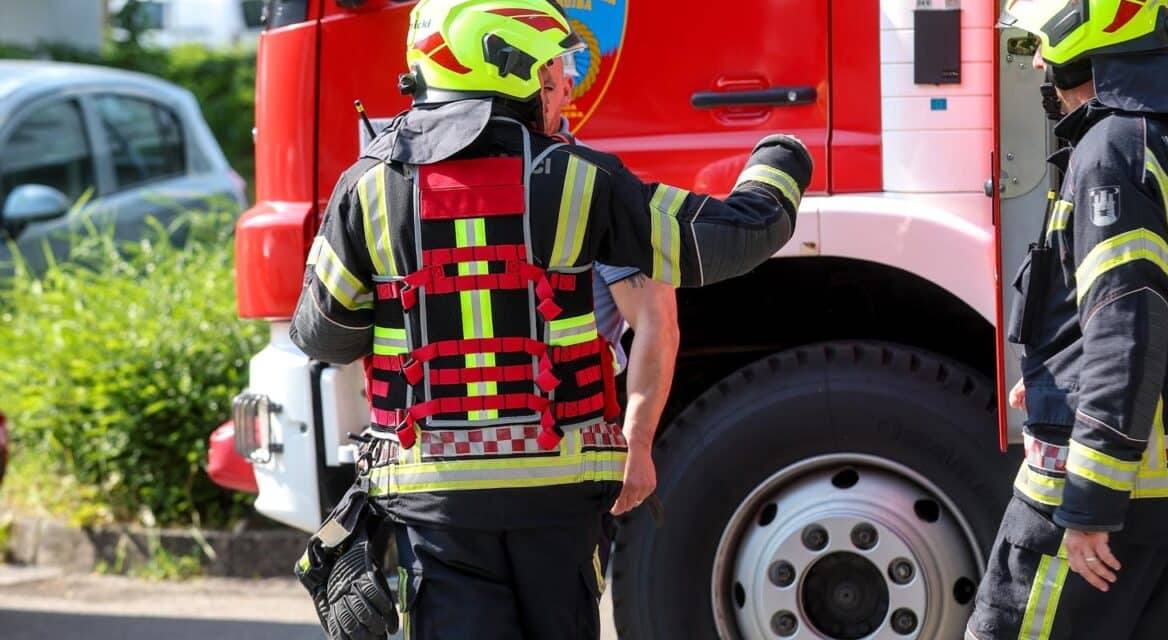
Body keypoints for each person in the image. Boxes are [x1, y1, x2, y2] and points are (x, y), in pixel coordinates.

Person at [288, 1, 812, 639]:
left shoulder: (367, 186)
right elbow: (730, 238)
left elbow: (325, 336)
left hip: (434, 507)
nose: (565, 82)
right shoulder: (581, 180)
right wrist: (780, 162)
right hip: (557, 502)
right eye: (552, 68)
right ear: (509, 70)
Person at [968, 2, 1168, 639]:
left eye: (1042, 46)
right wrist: (1060, 375)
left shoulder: (1113, 153)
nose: (1039, 62)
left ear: (1083, 35)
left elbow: (1126, 334)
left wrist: (1091, 503)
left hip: (1106, 509)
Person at [538, 52, 678, 561]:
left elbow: (656, 322)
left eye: (546, 87)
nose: (530, 101)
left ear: (569, 91)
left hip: (568, 444)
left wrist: (636, 444)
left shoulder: (594, 187)